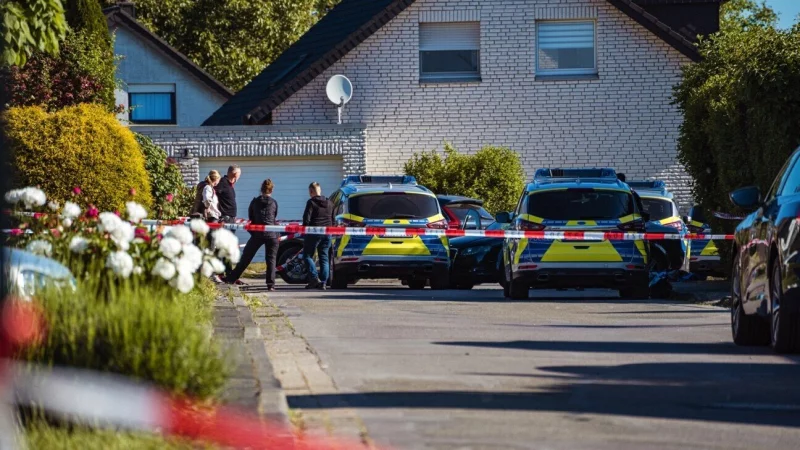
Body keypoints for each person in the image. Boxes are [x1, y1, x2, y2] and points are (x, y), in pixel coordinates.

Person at [223, 180, 280, 290]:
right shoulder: (274, 202)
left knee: (246, 257)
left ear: (261, 189)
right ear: (272, 190)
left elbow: (251, 218)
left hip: (258, 233)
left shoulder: (255, 202)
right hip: (272, 233)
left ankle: (231, 278)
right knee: (271, 259)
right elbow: (274, 217)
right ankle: (271, 284)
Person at [302, 182, 335, 290]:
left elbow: (306, 219)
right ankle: (323, 282)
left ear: (311, 191)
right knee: (324, 257)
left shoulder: (311, 202)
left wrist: (304, 229)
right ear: (320, 190)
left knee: (307, 256)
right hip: (327, 233)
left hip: (314, 232)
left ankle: (314, 278)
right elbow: (333, 220)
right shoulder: (330, 203)